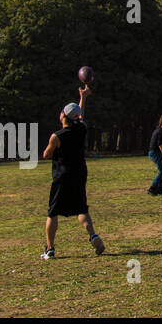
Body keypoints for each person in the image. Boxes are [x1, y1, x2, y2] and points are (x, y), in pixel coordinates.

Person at [40, 86, 105, 259]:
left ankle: (50, 249)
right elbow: (80, 115)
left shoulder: (57, 136)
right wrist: (83, 97)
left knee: (53, 213)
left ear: (63, 116)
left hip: (62, 176)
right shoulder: (81, 129)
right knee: (81, 209)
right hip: (79, 173)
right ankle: (93, 236)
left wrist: (50, 147)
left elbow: (46, 155)